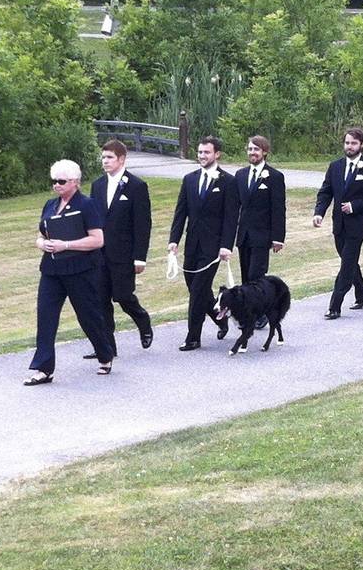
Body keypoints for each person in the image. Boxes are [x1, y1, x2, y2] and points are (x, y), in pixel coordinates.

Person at [24, 159, 115, 385]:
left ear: (74, 182)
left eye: (61, 181)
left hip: (80, 270)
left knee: (89, 315)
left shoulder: (87, 205)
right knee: (45, 316)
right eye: (54, 181)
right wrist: (40, 244)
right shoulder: (49, 205)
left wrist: (66, 245)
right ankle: (44, 368)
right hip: (52, 270)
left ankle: (105, 354)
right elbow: (42, 234)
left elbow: (97, 240)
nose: (57, 185)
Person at [168, 136, 239, 351]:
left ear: (216, 154)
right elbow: (181, 213)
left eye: (206, 152)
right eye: (199, 152)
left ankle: (193, 337)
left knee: (198, 290)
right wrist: (174, 240)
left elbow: (231, 217)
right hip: (192, 244)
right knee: (196, 288)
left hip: (214, 247)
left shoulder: (228, 181)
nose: (202, 156)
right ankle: (220, 318)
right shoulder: (189, 179)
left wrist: (226, 245)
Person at [83, 139, 153, 359]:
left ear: (121, 159)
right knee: (100, 300)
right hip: (100, 254)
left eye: (109, 157)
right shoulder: (98, 185)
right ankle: (106, 347)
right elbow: (93, 219)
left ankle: (143, 321)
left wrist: (139, 257)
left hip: (124, 254)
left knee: (123, 296)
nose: (105, 161)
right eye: (103, 157)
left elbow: (143, 225)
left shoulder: (136, 186)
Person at [313, 128, 363, 320]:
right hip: (339, 225)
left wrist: (355, 206)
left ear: (362, 145)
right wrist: (319, 213)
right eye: (347, 143)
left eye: (353, 143)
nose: (349, 146)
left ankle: (335, 305)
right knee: (349, 261)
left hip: (357, 225)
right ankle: (362, 294)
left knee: (347, 264)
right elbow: (325, 191)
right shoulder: (335, 166)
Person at [234, 135, 286, 329]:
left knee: (257, 276)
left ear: (264, 152)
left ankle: (261, 313)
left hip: (263, 236)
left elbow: (278, 209)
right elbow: (235, 206)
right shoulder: (240, 175)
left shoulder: (274, 176)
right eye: (249, 149)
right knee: (246, 277)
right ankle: (249, 313)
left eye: (256, 149)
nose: (252, 153)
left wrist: (278, 238)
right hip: (244, 235)